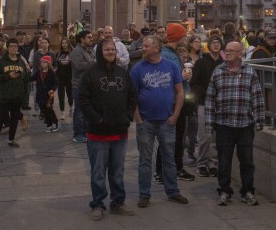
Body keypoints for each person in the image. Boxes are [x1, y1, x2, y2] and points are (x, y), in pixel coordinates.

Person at [79, 38, 138, 219]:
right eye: (107, 50)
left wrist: (128, 116)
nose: (111, 52)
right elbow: (82, 100)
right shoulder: (90, 73)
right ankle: (97, 204)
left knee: (117, 172)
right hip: (98, 133)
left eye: (113, 49)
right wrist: (97, 118)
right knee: (98, 172)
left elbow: (132, 94)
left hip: (119, 132)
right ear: (100, 52)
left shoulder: (122, 72)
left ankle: (118, 202)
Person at [129, 35, 189, 208]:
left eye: (146, 46)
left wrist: (175, 115)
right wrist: (138, 118)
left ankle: (173, 191)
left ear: (156, 48)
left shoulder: (170, 66)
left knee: (169, 158)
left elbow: (180, 92)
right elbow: (132, 95)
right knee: (145, 159)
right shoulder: (138, 69)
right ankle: (144, 194)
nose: (143, 49)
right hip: (146, 122)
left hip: (166, 121)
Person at [205, 40, 265, 206]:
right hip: (224, 124)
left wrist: (259, 121)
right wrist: (209, 125)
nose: (228, 53)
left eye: (232, 50)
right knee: (224, 161)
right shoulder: (218, 71)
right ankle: (224, 191)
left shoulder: (249, 72)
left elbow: (257, 97)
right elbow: (210, 99)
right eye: (227, 50)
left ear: (240, 54)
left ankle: (247, 191)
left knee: (247, 161)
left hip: (244, 124)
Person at [154, 23, 196, 183]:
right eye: (183, 35)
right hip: (172, 102)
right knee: (169, 138)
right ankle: (161, 171)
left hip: (178, 100)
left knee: (177, 138)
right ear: (178, 37)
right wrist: (182, 77)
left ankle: (175, 168)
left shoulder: (172, 53)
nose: (185, 38)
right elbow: (165, 77)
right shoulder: (167, 55)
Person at [190, 34, 223, 177]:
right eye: (213, 42)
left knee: (215, 137)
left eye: (218, 42)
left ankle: (213, 163)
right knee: (204, 136)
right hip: (204, 103)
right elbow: (194, 84)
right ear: (209, 45)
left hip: (220, 104)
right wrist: (206, 94)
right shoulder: (201, 62)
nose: (216, 44)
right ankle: (202, 163)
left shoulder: (224, 63)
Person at [0, 38, 31, 149]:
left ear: (17, 48)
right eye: (11, 46)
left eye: (15, 46)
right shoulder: (1, 62)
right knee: (0, 119)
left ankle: (11, 139)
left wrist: (25, 96)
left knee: (14, 118)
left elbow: (25, 79)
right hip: (4, 96)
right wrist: (8, 76)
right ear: (7, 48)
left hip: (17, 95)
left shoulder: (21, 62)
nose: (13, 48)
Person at [70, 30, 96, 143]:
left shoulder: (90, 50)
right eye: (89, 37)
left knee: (87, 110)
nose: (91, 39)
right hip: (79, 85)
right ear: (82, 39)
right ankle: (78, 134)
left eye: (91, 37)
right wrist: (93, 62)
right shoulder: (76, 51)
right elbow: (79, 66)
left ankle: (86, 132)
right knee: (79, 111)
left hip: (89, 85)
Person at [32, 55, 59, 132]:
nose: (42, 63)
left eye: (44, 62)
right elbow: (31, 78)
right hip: (40, 94)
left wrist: (52, 89)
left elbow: (56, 83)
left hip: (48, 95)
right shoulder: (39, 72)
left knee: (49, 109)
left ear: (48, 63)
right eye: (41, 62)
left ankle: (55, 122)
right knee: (43, 109)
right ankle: (49, 124)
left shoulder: (51, 73)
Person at [56, 37, 74, 118]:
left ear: (68, 43)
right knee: (61, 95)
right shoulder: (58, 54)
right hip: (60, 77)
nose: (64, 44)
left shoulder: (72, 53)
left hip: (70, 77)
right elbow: (56, 65)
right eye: (63, 43)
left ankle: (71, 107)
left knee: (70, 93)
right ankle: (62, 111)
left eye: (66, 42)